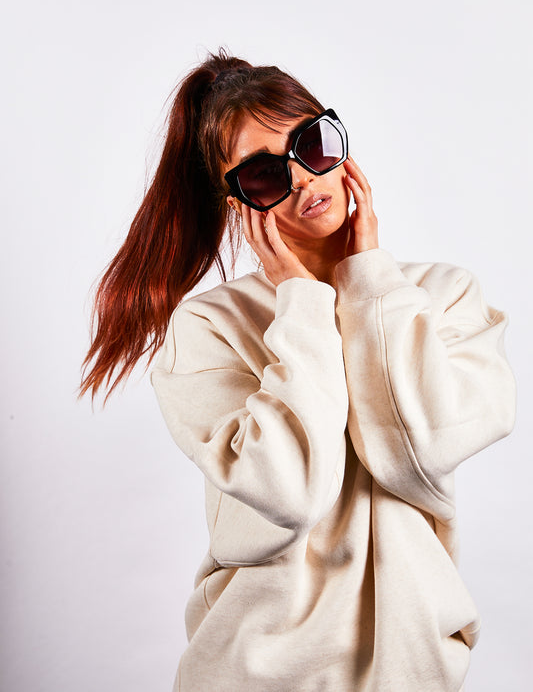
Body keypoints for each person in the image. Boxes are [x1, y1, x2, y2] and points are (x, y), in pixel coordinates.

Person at [80, 50, 516, 691]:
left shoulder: (441, 296)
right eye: (264, 175)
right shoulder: (208, 328)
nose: (306, 180)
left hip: (411, 666)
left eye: (313, 144)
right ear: (236, 203)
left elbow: (417, 452)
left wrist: (369, 282)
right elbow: (293, 493)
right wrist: (303, 305)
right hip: (256, 671)